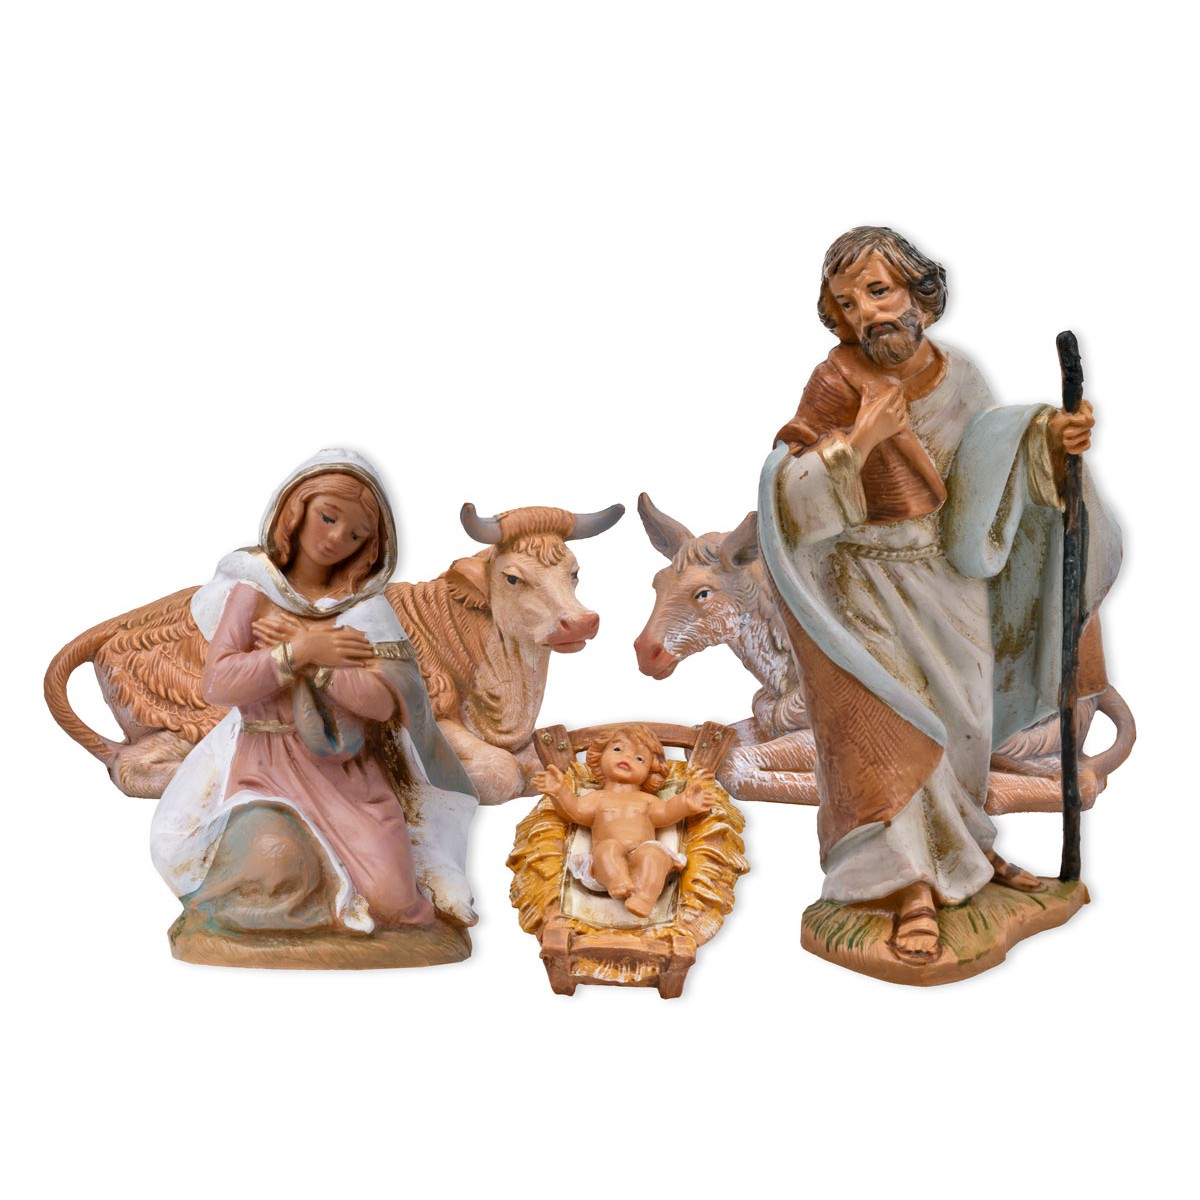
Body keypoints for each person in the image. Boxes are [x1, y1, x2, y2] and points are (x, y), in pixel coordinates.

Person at [758, 227, 1120, 963]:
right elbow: (788, 495)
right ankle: (907, 885)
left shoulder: (962, 376)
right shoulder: (834, 381)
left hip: (951, 579)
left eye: (879, 291)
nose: (867, 313)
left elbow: (995, 464)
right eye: (848, 303)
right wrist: (858, 439)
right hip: (866, 582)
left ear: (919, 294)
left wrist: (1054, 443)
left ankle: (967, 854)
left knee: (963, 726)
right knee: (891, 726)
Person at [151, 448, 479, 937]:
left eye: (356, 535)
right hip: (266, 767)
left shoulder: (365, 610)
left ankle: (355, 909)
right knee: (274, 861)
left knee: (395, 903)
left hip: (351, 774)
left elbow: (383, 703)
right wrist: (300, 650)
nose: (336, 539)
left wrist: (321, 665)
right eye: (328, 517)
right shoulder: (254, 591)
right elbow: (218, 683)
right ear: (295, 511)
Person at [532, 724, 715, 917]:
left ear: (650, 771)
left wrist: (686, 803)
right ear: (600, 756)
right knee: (607, 848)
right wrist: (559, 792)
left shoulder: (648, 800)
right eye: (618, 749)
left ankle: (643, 898)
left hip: (642, 858)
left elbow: (667, 812)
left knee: (654, 853)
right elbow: (575, 810)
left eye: (639, 758)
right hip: (606, 866)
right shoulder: (598, 798)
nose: (627, 757)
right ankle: (618, 883)